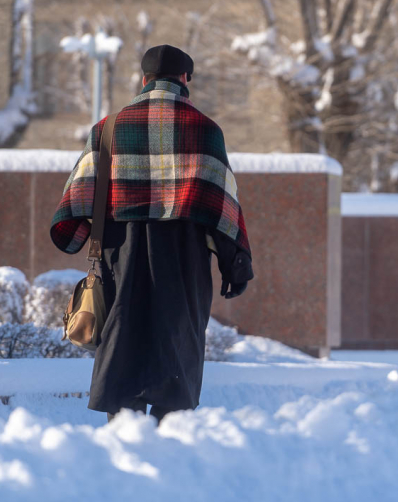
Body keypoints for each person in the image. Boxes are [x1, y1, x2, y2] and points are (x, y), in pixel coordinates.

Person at [50, 44, 254, 423]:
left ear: (144, 79)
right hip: (184, 258)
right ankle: (170, 438)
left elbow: (75, 200)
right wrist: (235, 264)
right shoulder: (205, 130)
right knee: (177, 351)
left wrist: (83, 233)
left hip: (119, 255)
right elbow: (220, 206)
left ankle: (124, 440)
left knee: (121, 346)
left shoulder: (107, 129)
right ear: (185, 79)